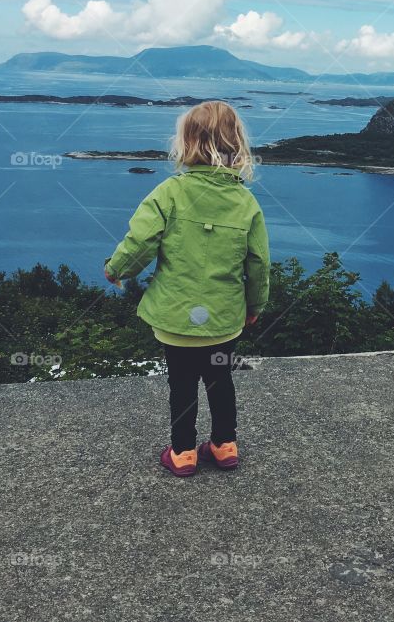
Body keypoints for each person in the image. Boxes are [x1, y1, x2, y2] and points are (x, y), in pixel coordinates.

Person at [104, 100, 270, 477]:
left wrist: (117, 271)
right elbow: (258, 263)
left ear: (187, 143)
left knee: (180, 385)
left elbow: (140, 241)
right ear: (236, 144)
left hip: (175, 317)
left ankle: (182, 454)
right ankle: (224, 446)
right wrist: (255, 304)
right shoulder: (245, 202)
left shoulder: (169, 192)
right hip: (225, 317)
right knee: (220, 379)